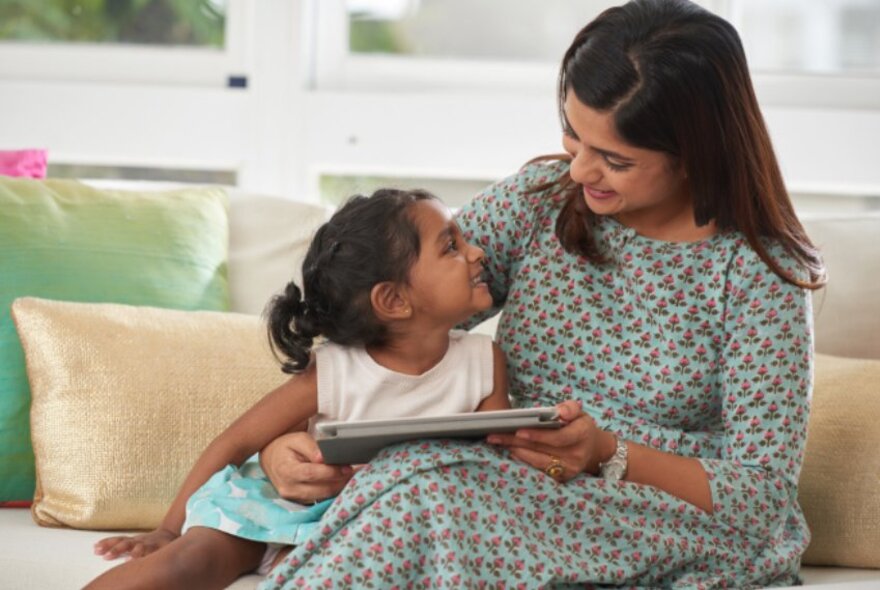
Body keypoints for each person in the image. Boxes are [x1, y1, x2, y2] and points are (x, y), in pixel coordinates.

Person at [257, 0, 826, 587]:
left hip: (651, 511)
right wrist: (287, 446)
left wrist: (605, 451)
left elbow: (764, 497)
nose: (580, 171)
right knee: (415, 480)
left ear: (697, 153)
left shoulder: (760, 272)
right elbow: (395, 313)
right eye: (573, 137)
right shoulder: (540, 201)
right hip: (494, 482)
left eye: (614, 159)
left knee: (430, 493)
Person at [85, 188, 511, 590]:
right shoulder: (336, 369)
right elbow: (236, 442)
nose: (477, 253)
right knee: (190, 562)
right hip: (280, 504)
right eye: (451, 246)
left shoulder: (483, 361)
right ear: (394, 300)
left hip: (369, 528)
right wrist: (167, 529)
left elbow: (493, 468)